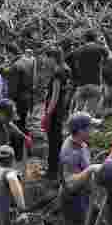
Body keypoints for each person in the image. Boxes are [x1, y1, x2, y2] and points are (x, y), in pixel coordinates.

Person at [56, 113, 97, 225]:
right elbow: (71, 183)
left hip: (84, 196)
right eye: (90, 127)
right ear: (80, 131)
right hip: (73, 199)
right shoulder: (70, 152)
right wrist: (90, 170)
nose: (92, 130)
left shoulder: (81, 144)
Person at [41, 48, 72, 181]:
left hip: (54, 111)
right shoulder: (66, 69)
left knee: (53, 141)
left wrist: (47, 114)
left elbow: (55, 95)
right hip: (60, 110)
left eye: (47, 58)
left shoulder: (57, 73)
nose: (46, 61)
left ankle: (52, 171)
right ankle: (57, 169)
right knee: (57, 140)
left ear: (53, 57)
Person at [67, 30, 112, 117]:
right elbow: (111, 59)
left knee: (77, 112)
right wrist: (104, 45)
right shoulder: (100, 48)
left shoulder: (78, 50)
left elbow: (67, 61)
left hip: (81, 84)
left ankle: (73, 128)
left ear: (85, 39)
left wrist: (74, 74)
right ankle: (87, 129)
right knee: (90, 114)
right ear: (95, 38)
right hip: (95, 84)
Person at [7, 49, 37, 161]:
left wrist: (10, 101)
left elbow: (13, 89)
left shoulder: (15, 67)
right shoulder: (28, 63)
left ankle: (19, 153)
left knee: (16, 126)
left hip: (18, 101)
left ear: (12, 54)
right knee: (23, 124)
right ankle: (27, 150)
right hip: (26, 99)